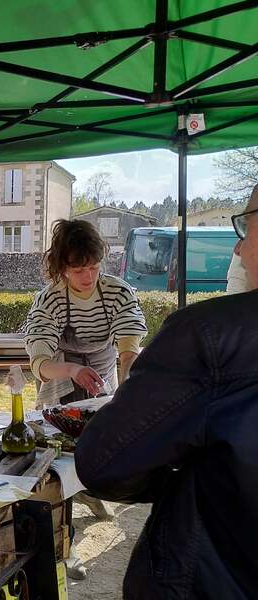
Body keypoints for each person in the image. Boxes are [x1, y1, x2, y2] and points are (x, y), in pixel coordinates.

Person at [75, 185, 258, 599]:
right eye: (74, 269)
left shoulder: (207, 335)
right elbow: (40, 345)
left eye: (246, 228)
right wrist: (63, 367)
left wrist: (174, 464)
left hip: (209, 580)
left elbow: (105, 462)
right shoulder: (49, 298)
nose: (237, 250)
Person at [25, 219, 147, 408]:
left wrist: (127, 392)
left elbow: (128, 353)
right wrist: (73, 370)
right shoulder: (49, 300)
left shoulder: (118, 293)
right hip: (61, 379)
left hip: (104, 377)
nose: (88, 277)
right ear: (63, 269)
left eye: (93, 268)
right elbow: (40, 364)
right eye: (79, 270)